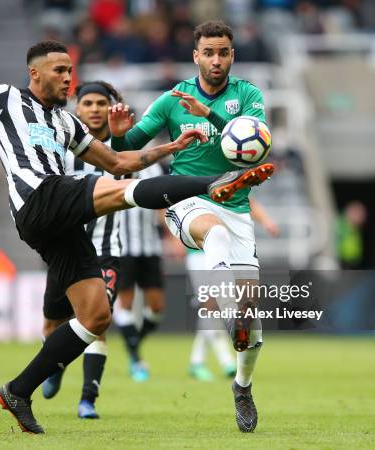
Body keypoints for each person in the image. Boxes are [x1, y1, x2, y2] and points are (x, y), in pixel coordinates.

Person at [0, 40, 273, 434]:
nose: (69, 78)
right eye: (60, 71)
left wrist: (173, 149)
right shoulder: (4, 98)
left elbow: (120, 162)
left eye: (71, 71)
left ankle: (18, 391)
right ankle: (213, 184)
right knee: (123, 195)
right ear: (35, 73)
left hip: (58, 223)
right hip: (37, 197)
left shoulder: (66, 123)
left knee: (96, 316)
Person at [109, 21, 272, 432]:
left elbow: (255, 149)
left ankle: (242, 386)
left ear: (232, 55)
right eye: (209, 53)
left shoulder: (248, 96)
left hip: (235, 207)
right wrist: (117, 136)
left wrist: (211, 116)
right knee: (211, 233)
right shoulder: (172, 99)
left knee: (250, 321)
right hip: (186, 200)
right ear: (195, 56)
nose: (216, 60)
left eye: (224, 53)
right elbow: (129, 147)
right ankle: (224, 308)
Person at [40, 80, 127, 419]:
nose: (94, 109)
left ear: (110, 108)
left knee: (97, 323)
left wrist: (121, 137)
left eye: (100, 103)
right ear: (77, 109)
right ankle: (57, 363)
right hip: (65, 250)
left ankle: (87, 399)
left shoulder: (120, 147)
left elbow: (128, 170)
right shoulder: (60, 149)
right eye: (87, 103)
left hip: (105, 252)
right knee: (52, 326)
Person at [188, 198, 279, 382]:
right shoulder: (195, 172)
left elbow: (246, 199)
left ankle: (197, 361)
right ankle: (226, 361)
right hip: (200, 252)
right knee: (211, 306)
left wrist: (266, 220)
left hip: (229, 251)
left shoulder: (227, 175)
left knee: (215, 308)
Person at [114, 163, 167, 382]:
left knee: (157, 307)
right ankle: (136, 358)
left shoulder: (155, 168)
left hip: (150, 246)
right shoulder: (114, 161)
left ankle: (133, 343)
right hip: (122, 246)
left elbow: (163, 205)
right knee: (125, 302)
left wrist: (173, 236)